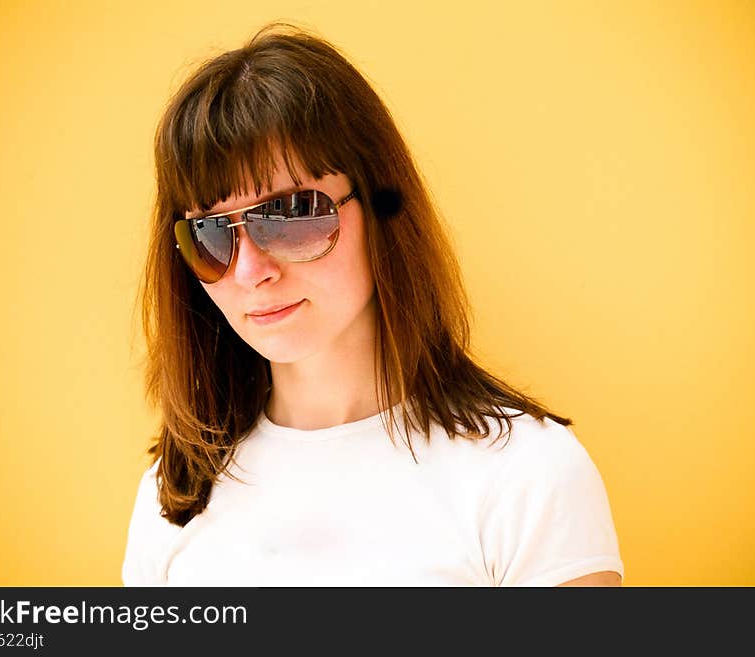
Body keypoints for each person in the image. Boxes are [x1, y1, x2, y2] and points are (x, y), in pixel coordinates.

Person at [122, 22, 624, 587]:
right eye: (210, 233)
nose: (249, 270)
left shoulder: (528, 475)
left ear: (383, 205)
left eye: (290, 214)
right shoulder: (177, 493)